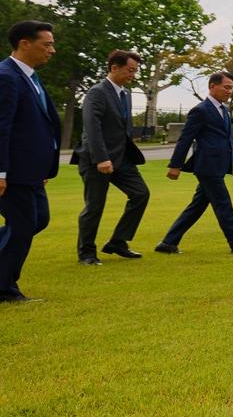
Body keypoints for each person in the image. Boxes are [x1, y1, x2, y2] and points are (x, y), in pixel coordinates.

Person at [155, 72, 233, 255]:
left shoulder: (223, 111)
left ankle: (168, 242)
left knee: (196, 206)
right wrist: (175, 165)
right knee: (223, 204)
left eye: (232, 88)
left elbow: (229, 139)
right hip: (207, 167)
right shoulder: (201, 110)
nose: (230, 91)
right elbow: (185, 139)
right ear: (212, 86)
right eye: (226, 87)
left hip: (219, 165)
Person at [0, 21, 61, 303]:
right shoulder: (6, 76)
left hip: (33, 171)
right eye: (46, 44)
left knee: (38, 220)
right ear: (25, 43)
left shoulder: (31, 77)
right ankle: (4, 288)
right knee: (22, 226)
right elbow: (2, 127)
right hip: (13, 172)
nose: (52, 50)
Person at [73, 49, 150, 264]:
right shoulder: (97, 92)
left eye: (135, 71)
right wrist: (101, 158)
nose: (133, 75)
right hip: (97, 159)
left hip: (122, 159)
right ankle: (86, 253)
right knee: (95, 206)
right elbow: (92, 127)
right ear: (114, 68)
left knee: (141, 194)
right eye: (130, 70)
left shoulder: (125, 94)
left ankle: (118, 241)